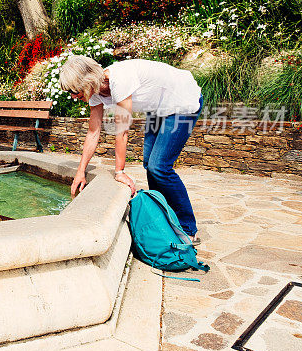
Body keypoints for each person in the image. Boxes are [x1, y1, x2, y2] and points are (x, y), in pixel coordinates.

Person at [59, 55, 204, 243]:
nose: (72, 96)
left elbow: (122, 130)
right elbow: (93, 132)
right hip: (159, 110)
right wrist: (80, 172)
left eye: (73, 90)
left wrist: (120, 171)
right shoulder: (94, 93)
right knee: (149, 164)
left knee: (159, 167)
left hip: (182, 101)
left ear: (86, 81)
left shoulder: (120, 79)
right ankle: (165, 217)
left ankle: (188, 228)